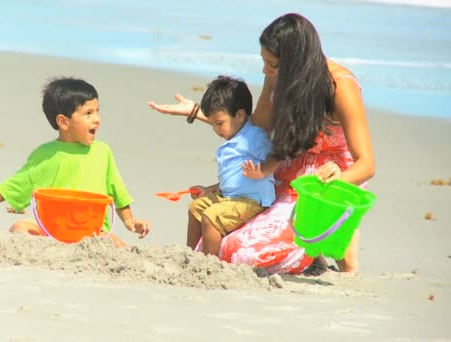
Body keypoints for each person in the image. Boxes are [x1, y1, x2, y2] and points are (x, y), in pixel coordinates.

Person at [147, 13, 375, 275]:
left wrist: (337, 179)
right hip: (282, 168)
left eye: (273, 65)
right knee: (216, 244)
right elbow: (256, 128)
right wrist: (202, 113)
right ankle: (310, 253)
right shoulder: (276, 76)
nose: (266, 70)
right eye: (264, 62)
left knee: (242, 255)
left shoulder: (340, 87)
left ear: (296, 63)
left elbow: (366, 164)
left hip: (323, 187)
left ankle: (331, 236)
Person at [0, 77, 150, 245]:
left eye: (97, 111)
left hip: (91, 231)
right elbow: (15, 184)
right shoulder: (46, 154)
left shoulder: (102, 151)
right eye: (88, 113)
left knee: (113, 244)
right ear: (64, 122)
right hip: (50, 227)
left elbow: (118, 193)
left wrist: (130, 222)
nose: (97, 119)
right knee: (19, 227)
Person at [185, 75, 276, 256]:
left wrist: (262, 171)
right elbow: (231, 178)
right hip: (230, 196)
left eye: (219, 123)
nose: (216, 130)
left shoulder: (253, 137)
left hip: (251, 201)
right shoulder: (234, 139)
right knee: (195, 208)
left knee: (211, 217)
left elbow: (277, 155)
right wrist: (208, 189)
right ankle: (190, 254)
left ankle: (208, 261)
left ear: (240, 115)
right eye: (212, 124)